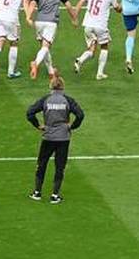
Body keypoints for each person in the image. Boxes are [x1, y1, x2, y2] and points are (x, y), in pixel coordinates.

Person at [26, 74, 84, 203]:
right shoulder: (68, 100)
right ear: (62, 87)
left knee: (41, 164)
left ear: (51, 86)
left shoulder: (46, 99)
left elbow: (30, 113)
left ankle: (37, 193)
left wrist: (38, 126)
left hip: (48, 136)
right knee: (60, 166)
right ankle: (55, 195)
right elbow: (80, 115)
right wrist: (72, 126)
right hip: (63, 138)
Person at [72, 0, 121, 80]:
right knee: (104, 46)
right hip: (100, 25)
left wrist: (75, 17)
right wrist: (121, 7)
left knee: (92, 49)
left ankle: (80, 60)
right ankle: (100, 73)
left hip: (88, 25)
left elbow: (80, 2)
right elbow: (118, 9)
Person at [27, 0, 73, 80]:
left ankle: (51, 72)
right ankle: (35, 63)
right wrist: (74, 17)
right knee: (46, 47)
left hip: (39, 21)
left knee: (45, 47)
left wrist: (28, 17)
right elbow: (68, 5)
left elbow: (32, 4)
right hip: (51, 22)